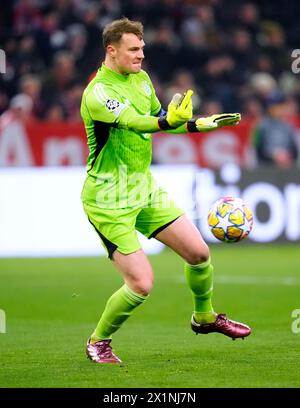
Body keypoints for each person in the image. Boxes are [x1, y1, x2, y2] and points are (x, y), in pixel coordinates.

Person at [80, 18, 251, 364]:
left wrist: (195, 124)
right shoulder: (98, 92)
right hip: (108, 199)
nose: (141, 55)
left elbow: (159, 116)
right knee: (141, 284)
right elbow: (135, 121)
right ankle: (98, 342)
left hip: (144, 189)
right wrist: (166, 122)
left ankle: (204, 318)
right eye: (134, 49)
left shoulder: (141, 80)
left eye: (142, 48)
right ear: (111, 51)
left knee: (199, 254)